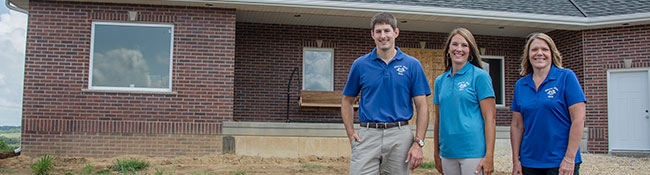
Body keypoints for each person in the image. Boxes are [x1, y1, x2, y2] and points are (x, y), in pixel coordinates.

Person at [341, 12, 431, 175]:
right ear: (372, 35)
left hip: (400, 136)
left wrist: (418, 142)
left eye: (387, 31)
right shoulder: (360, 65)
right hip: (367, 135)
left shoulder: (412, 65)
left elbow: (422, 106)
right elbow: (347, 101)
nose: (383, 36)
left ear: (396, 32)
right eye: (378, 31)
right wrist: (350, 133)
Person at [510, 33, 586, 175]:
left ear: (552, 53)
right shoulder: (521, 85)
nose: (539, 53)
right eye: (534, 50)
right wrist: (516, 161)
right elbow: (517, 125)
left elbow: (578, 119)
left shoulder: (566, 77)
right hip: (529, 162)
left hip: (560, 161)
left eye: (544, 49)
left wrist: (569, 158)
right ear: (528, 55)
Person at [432, 28, 496, 175]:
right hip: (448, 152)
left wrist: (489, 155)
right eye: (455, 44)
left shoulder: (480, 77)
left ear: (470, 51)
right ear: (448, 49)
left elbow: (490, 119)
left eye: (464, 45)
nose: (459, 49)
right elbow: (438, 120)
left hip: (473, 152)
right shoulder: (440, 81)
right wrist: (436, 152)